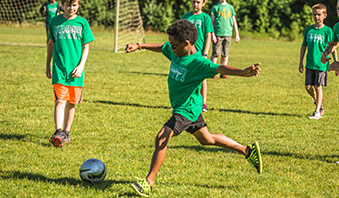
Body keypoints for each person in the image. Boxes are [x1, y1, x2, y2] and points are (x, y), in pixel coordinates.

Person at [125, 19, 262, 197]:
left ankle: (148, 182)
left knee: (162, 137)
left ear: (187, 43)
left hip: (186, 110)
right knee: (207, 140)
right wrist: (140, 45)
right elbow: (162, 47)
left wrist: (242, 72)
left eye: (174, 45)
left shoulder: (198, 63)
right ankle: (247, 150)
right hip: (189, 107)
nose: (171, 47)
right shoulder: (176, 52)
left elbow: (220, 67)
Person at [46, 0, 95, 147]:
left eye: (74, 5)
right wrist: (47, 64)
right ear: (62, 5)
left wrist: (81, 66)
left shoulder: (82, 23)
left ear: (78, 5)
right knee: (60, 100)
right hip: (59, 68)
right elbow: (50, 44)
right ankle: (58, 131)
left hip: (76, 71)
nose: (71, 8)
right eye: (68, 5)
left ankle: (66, 133)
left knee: (71, 103)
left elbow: (86, 47)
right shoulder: (55, 22)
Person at [299, 3, 337, 120]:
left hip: (321, 64)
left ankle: (317, 112)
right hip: (310, 63)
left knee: (317, 86)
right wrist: (300, 62)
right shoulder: (308, 29)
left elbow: (333, 46)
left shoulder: (328, 31)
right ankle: (319, 102)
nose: (316, 17)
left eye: (319, 15)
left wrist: (336, 62)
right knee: (307, 87)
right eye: (314, 14)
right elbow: (304, 46)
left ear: (324, 15)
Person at [182, 0, 214, 112]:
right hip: (187, 52)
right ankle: (184, 102)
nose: (196, 4)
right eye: (194, 2)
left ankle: (203, 103)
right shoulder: (186, 16)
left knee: (201, 77)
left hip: (199, 53)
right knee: (186, 76)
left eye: (198, 2)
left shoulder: (206, 18)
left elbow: (208, 36)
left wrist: (205, 53)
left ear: (203, 4)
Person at [210, 0, 240, 79]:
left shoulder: (230, 7)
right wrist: (212, 34)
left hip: (228, 34)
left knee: (225, 54)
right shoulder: (215, 7)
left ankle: (223, 73)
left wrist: (237, 34)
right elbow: (212, 21)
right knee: (215, 53)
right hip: (218, 34)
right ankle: (213, 72)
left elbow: (234, 21)